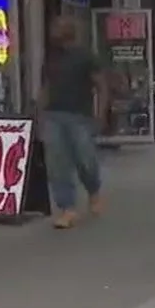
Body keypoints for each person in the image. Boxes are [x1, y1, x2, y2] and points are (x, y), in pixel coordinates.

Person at [39, 16, 107, 229]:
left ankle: (93, 190)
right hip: (54, 115)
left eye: (57, 27)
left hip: (79, 115)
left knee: (85, 158)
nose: (52, 32)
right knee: (58, 164)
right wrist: (39, 112)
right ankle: (67, 208)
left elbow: (101, 86)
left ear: (69, 31)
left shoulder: (85, 57)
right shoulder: (51, 58)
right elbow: (46, 86)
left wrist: (101, 114)